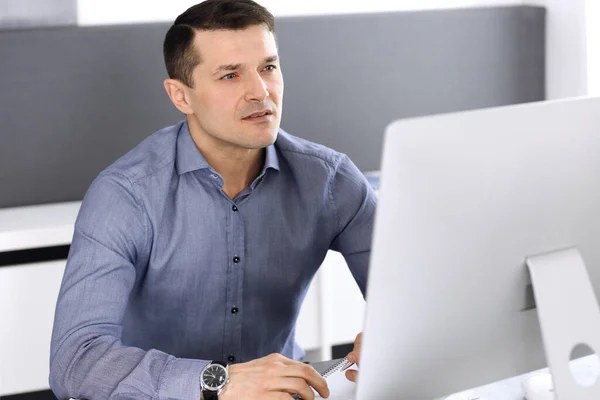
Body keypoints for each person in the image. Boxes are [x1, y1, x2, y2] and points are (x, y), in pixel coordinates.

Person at [49, 1, 376, 399]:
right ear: (181, 96)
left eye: (268, 67)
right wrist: (217, 381)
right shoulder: (125, 195)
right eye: (230, 75)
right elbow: (75, 362)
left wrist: (389, 339)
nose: (260, 91)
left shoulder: (330, 180)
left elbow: (411, 295)